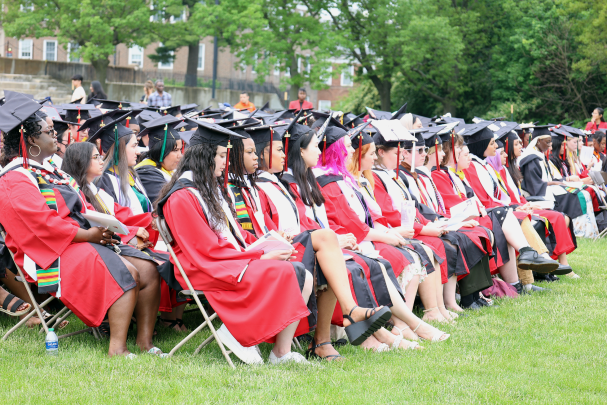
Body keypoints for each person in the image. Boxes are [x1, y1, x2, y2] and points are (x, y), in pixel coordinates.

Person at [155, 121, 390, 364]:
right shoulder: (183, 196)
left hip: (227, 258)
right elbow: (204, 250)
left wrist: (269, 244)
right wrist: (259, 256)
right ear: (205, 157)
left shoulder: (207, 189)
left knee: (304, 270)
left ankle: (282, 351)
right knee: (291, 271)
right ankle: (245, 335)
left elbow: (235, 235)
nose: (226, 162)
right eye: (222, 156)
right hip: (205, 268)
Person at [0, 93, 161, 357]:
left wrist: (106, 228)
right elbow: (41, 226)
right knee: (128, 273)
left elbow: (84, 209)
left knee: (150, 270)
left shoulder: (53, 172)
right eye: (49, 131)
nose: (56, 136)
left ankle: (145, 344)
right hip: (47, 254)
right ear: (31, 140)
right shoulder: (14, 179)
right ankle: (117, 349)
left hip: (78, 240)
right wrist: (89, 235)